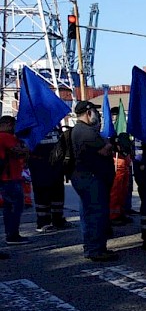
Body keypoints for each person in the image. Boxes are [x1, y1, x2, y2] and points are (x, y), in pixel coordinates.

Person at [70, 102, 117, 261]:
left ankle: (92, 247)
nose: (97, 115)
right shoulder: (86, 132)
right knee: (96, 214)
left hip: (86, 177)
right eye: (95, 111)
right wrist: (110, 144)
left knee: (89, 213)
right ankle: (96, 249)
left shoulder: (80, 130)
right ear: (88, 112)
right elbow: (104, 150)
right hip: (91, 178)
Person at [27, 125, 71, 232]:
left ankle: (58, 220)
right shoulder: (31, 128)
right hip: (40, 166)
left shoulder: (55, 126)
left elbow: (61, 144)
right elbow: (27, 147)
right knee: (42, 194)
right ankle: (43, 222)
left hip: (56, 166)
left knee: (58, 194)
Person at [0, 116, 30, 245]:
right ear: (7, 124)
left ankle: (11, 234)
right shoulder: (6, 137)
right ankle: (12, 235)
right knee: (14, 206)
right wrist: (27, 148)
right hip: (10, 176)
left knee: (9, 207)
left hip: (7, 176)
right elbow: (18, 151)